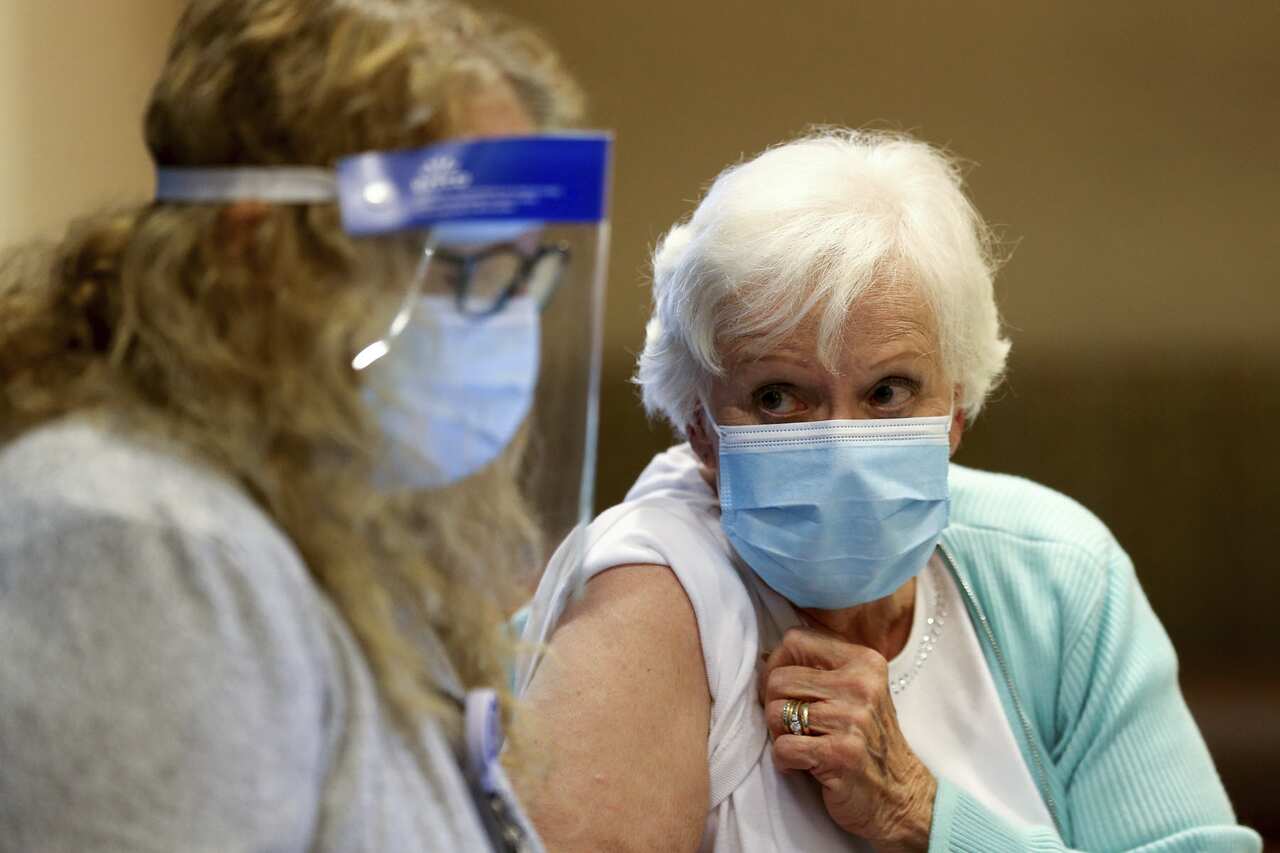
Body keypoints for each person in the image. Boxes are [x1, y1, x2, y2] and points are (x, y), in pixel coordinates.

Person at [513, 130, 1261, 851]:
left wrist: (923, 813)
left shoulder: (1056, 574)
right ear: (700, 427)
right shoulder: (650, 587)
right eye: (778, 396)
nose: (841, 445)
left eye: (888, 391)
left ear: (958, 408)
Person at [0, 0, 610, 849]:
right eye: (459, 270)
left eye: (521, 271)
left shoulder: (335, 548)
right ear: (258, 257)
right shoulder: (136, 535)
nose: (503, 319)